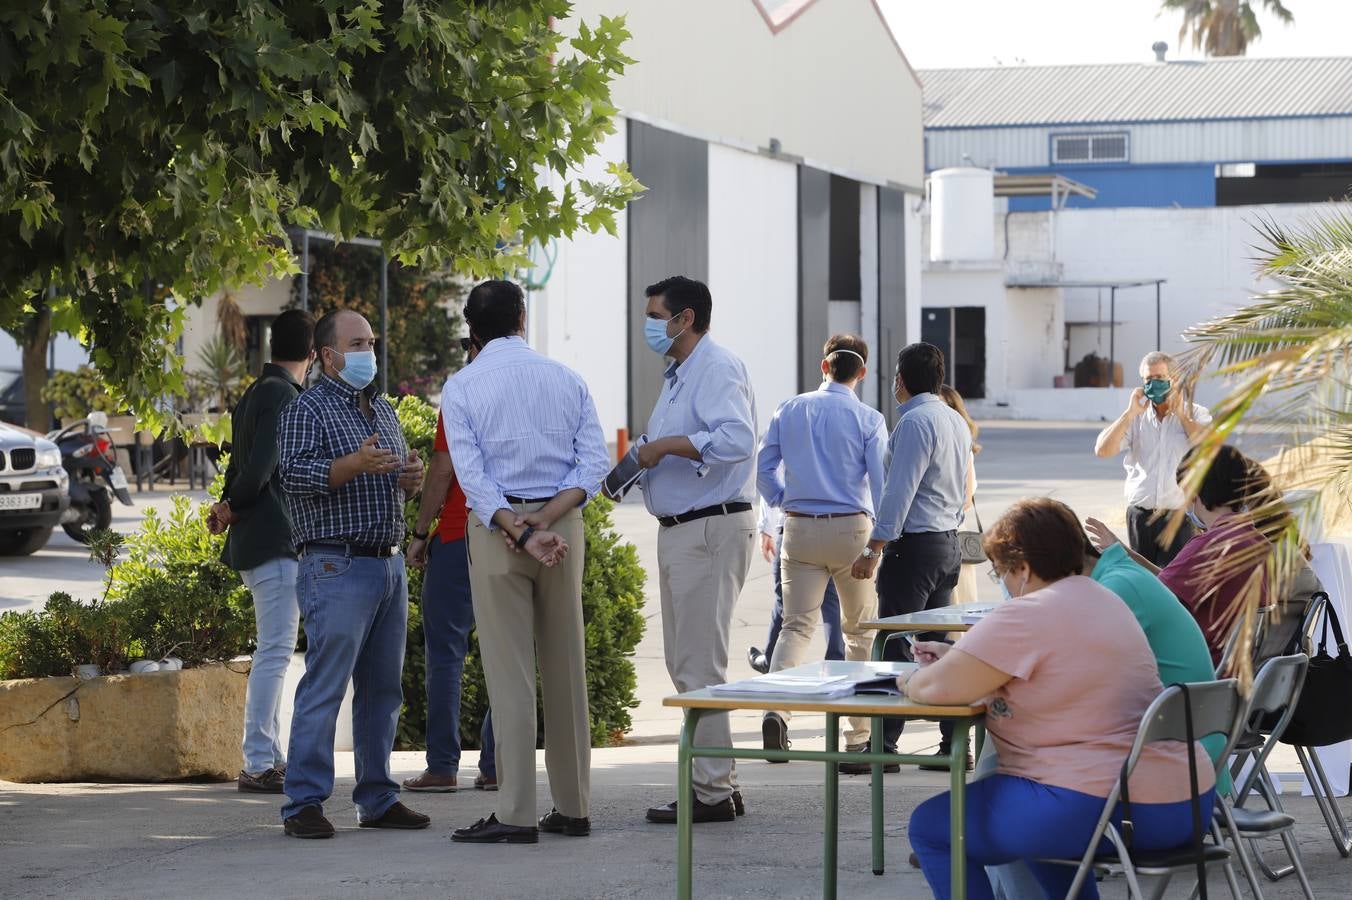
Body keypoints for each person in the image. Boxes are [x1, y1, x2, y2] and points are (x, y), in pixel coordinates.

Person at [905, 498, 1216, 900]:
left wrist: (910, 680)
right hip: (1182, 801)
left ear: (1024, 568)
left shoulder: (1027, 612)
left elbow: (934, 690)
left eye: (999, 570)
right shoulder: (1107, 599)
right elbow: (1059, 674)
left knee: (934, 828)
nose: (1001, 580)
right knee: (1037, 829)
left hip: (1102, 805)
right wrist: (965, 662)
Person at [443, 280, 609, 845]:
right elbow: (592, 466)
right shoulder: (567, 378)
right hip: (561, 527)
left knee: (509, 675)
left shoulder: (462, 386)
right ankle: (574, 806)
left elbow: (472, 476)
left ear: (473, 330)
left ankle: (515, 813)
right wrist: (546, 522)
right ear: (522, 317)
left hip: (498, 531)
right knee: (567, 667)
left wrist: (518, 527)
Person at [276, 309, 428, 839]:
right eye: (356, 343)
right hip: (335, 564)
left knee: (383, 690)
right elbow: (292, 477)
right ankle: (303, 804)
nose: (368, 352)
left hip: (386, 563)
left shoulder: (381, 409)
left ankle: (377, 796)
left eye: (371, 342)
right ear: (325, 355)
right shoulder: (307, 410)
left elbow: (392, 480)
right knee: (325, 685)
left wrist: (410, 479)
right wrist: (351, 465)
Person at [637, 275, 757, 825]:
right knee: (690, 662)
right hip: (687, 529)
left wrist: (664, 446)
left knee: (698, 664)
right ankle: (718, 784)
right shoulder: (682, 374)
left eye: (656, 314)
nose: (649, 325)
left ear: (684, 319)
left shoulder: (715, 367)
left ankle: (709, 794)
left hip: (708, 528)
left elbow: (735, 439)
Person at [842, 342, 970, 775]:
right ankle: (952, 743)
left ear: (900, 379)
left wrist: (873, 547)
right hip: (946, 542)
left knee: (895, 644)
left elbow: (899, 491)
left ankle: (884, 745)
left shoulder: (914, 422)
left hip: (914, 547)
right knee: (939, 647)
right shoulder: (954, 419)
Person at [756, 334, 886, 756]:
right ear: (862, 372)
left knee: (796, 625)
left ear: (823, 365)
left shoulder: (790, 408)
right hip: (851, 529)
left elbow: (764, 466)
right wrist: (879, 539)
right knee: (859, 631)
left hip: (799, 527)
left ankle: (776, 712)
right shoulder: (869, 419)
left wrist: (781, 500)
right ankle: (857, 737)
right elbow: (881, 487)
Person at [209, 309, 315, 794]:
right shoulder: (284, 396)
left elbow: (242, 467)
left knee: (273, 649)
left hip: (258, 537)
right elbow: (262, 467)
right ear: (313, 356)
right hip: (275, 538)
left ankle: (270, 757)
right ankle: (256, 762)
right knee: (274, 652)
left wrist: (228, 505)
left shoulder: (255, 391)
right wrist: (232, 503)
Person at [402, 338, 496, 795]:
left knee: (445, 657)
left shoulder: (462, 389)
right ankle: (498, 764)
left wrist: (421, 533)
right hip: (512, 537)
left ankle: (442, 767)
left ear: (473, 345)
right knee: (508, 652)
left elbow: (443, 468)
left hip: (459, 535)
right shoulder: (534, 385)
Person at [1087, 444, 1276, 667]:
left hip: (1199, 671)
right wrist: (1124, 551)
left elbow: (1153, 596)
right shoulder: (1258, 542)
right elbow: (1168, 581)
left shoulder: (1209, 546)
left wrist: (1113, 564)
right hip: (1237, 672)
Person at [1093, 351, 1211, 567]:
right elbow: (1102, 450)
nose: (1153, 384)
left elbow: (1208, 447)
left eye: (1159, 378)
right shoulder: (1136, 418)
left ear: (1174, 379)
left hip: (1178, 519)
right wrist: (1129, 413)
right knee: (1142, 580)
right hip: (1140, 518)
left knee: (1175, 585)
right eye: (1148, 379)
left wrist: (1181, 413)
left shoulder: (1196, 413)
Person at [745, 498, 845, 674]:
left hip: (796, 523)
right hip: (840, 523)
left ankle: (771, 659)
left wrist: (766, 526)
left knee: (787, 601)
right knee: (831, 600)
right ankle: (837, 661)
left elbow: (768, 474)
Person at [939, 385, 982, 604]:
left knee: (958, 604)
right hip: (942, 531)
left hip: (952, 531)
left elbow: (966, 498)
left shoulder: (962, 447)